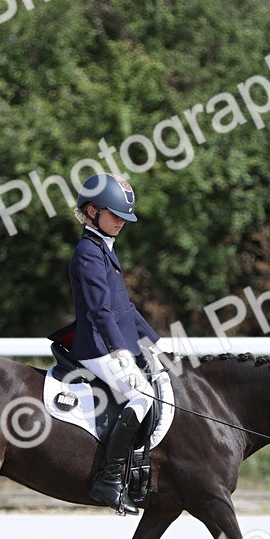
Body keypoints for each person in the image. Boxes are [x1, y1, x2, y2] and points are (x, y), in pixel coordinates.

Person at [65, 173, 170, 515]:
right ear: (92, 211)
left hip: (114, 343)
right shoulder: (88, 253)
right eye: (116, 215)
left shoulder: (104, 250)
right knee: (142, 395)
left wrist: (156, 343)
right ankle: (108, 480)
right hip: (97, 347)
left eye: (125, 217)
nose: (122, 222)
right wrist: (119, 351)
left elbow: (126, 308)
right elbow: (100, 312)